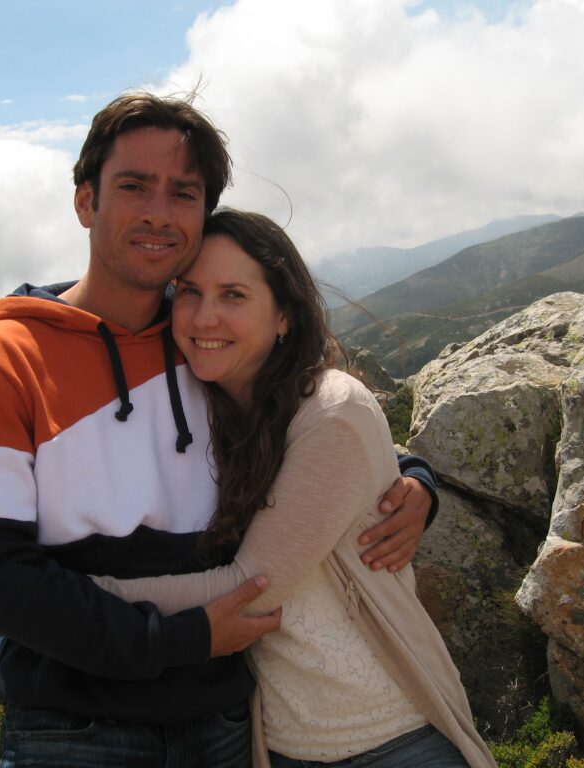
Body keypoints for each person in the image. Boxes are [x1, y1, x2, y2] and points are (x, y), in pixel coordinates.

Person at [0, 91, 441, 767]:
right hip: (75, 728)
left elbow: (314, 421)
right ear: (86, 202)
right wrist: (180, 641)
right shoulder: (0, 359)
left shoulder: (203, 339)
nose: (158, 212)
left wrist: (413, 479)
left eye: (183, 193)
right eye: (133, 186)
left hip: (225, 723)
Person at [94, 209, 497, 768]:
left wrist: (72, 601)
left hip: (391, 735)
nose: (205, 316)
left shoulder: (332, 409)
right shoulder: (205, 407)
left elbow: (250, 588)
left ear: (283, 314)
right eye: (189, 291)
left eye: (234, 295)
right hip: (280, 743)